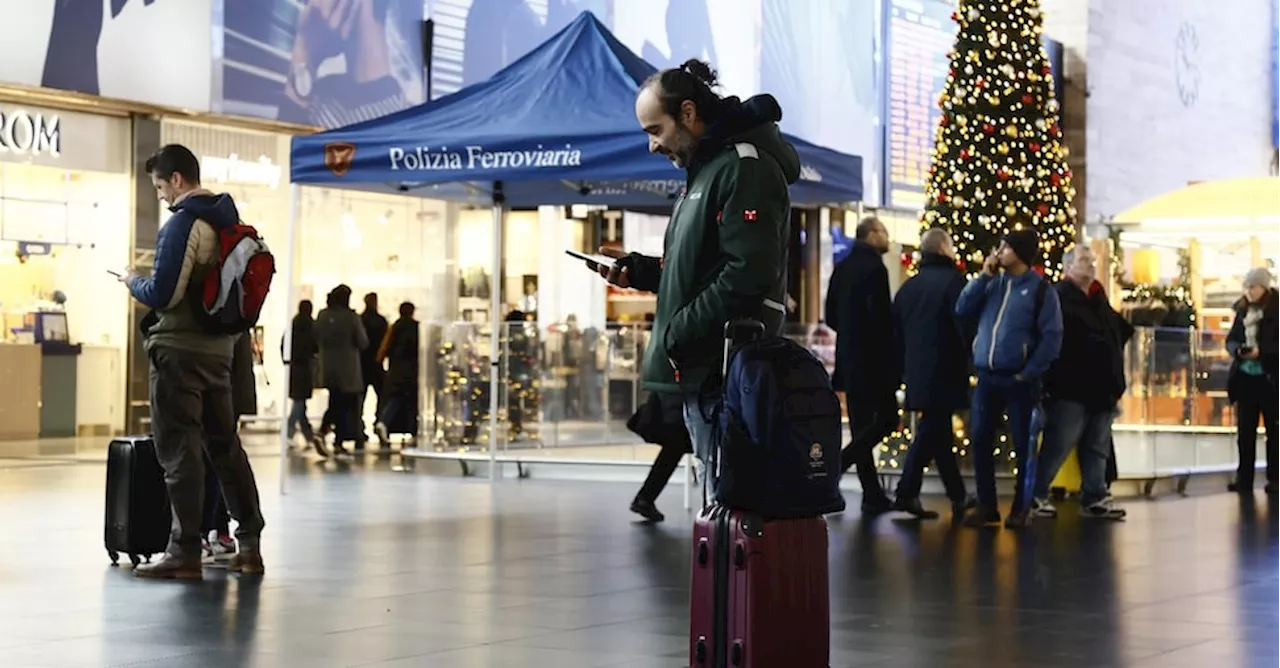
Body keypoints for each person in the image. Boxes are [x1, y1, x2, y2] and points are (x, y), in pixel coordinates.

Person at [596, 59, 797, 473]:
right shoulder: (707, 171)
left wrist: (679, 331)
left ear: (687, 113)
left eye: (656, 130)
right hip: (707, 371)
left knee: (729, 501)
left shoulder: (743, 167)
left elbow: (748, 274)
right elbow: (701, 268)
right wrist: (643, 271)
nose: (652, 145)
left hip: (723, 373)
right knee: (720, 504)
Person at [118, 144, 265, 578]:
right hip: (220, 355)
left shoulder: (184, 223)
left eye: (161, 186)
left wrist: (132, 281)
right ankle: (250, 545)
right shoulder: (230, 223)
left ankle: (184, 552)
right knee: (225, 449)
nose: (161, 195)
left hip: (180, 354)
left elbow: (164, 294)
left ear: (177, 179)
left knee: (179, 449)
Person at [954, 228, 1062, 529]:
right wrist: (984, 276)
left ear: (1021, 253)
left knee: (1023, 444)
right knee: (980, 439)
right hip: (987, 375)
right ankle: (987, 504)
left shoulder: (1040, 291)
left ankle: (1021, 507)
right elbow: (962, 307)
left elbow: (1052, 338)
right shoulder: (992, 284)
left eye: (1006, 247)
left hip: (1019, 379)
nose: (999, 251)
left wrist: (1028, 372)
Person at [1033, 246, 1133, 519]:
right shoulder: (1059, 297)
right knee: (1059, 442)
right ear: (1067, 267)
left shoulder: (1098, 299)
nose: (1090, 265)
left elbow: (1119, 331)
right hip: (1071, 386)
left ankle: (1095, 495)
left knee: (1097, 446)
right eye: (1083, 260)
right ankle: (1035, 492)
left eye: (1091, 260)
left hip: (1103, 387)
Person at [890, 228, 974, 519]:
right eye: (951, 245)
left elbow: (896, 332)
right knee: (932, 432)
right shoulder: (955, 283)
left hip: (917, 371)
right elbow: (964, 325)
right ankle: (906, 491)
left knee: (937, 434)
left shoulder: (909, 287)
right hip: (946, 369)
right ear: (942, 248)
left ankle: (957, 496)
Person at [825, 216, 898, 515]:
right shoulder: (874, 269)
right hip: (873, 361)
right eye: (883, 232)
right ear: (870, 235)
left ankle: (872, 494)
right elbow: (881, 319)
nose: (887, 237)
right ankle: (836, 467)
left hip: (848, 361)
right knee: (887, 420)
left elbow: (830, 316)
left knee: (861, 426)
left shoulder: (842, 268)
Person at [203, 331, 258, 561]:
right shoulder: (236, 302)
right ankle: (241, 538)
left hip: (210, 382)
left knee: (202, 461)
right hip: (229, 385)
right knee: (224, 459)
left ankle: (200, 533)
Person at [1225, 267, 1280, 494]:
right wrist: (1238, 350)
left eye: (1253, 286)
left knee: (1274, 432)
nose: (1249, 291)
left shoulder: (1276, 310)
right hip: (1245, 378)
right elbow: (1231, 339)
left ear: (1263, 287)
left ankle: (1275, 478)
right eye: (1246, 286)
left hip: (1270, 378)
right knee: (1244, 432)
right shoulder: (1242, 310)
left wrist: (1262, 352)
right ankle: (1244, 478)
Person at [315, 285, 369, 456]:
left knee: (335, 400)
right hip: (348, 368)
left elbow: (315, 337)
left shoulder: (323, 315)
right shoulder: (351, 317)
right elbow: (362, 341)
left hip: (328, 366)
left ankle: (329, 434)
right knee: (344, 404)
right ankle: (330, 435)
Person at [628, 391, 694, 522]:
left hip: (667, 406)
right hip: (677, 406)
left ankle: (645, 498)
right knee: (676, 448)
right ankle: (645, 498)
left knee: (673, 450)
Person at [374, 302, 421, 449]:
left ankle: (383, 422)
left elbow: (383, 350)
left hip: (396, 370)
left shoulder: (394, 327)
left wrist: (380, 365)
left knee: (395, 399)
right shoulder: (417, 327)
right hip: (414, 371)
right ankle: (413, 432)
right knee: (413, 402)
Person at [285, 299, 322, 453]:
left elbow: (284, 345)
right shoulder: (312, 327)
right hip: (306, 367)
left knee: (300, 401)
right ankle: (289, 431)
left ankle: (307, 435)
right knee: (300, 401)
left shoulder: (292, 326)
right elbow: (315, 346)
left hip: (294, 366)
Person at [358, 292, 388, 450]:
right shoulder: (381, 321)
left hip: (362, 364)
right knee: (382, 395)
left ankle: (359, 428)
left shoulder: (360, 320)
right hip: (376, 363)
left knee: (360, 398)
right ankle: (379, 422)